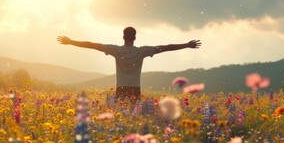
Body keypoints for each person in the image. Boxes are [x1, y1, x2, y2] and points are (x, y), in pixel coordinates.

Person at [57, 26, 201, 103]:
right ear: (135, 37)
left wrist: (71, 42)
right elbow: (166, 47)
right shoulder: (142, 51)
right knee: (134, 116)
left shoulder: (115, 50)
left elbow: (92, 45)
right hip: (135, 89)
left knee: (121, 116)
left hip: (121, 88)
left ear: (123, 37)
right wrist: (187, 45)